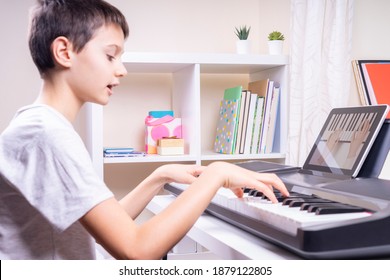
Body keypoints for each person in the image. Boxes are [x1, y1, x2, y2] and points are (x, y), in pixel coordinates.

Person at [0, 0, 289, 260]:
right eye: (111, 56)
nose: (122, 69)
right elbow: (136, 249)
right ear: (64, 52)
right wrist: (216, 174)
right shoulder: (45, 135)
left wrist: (158, 176)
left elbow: (107, 229)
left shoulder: (42, 127)